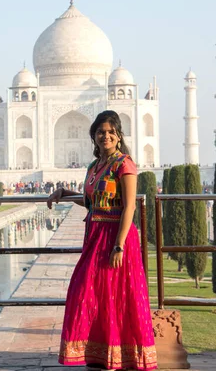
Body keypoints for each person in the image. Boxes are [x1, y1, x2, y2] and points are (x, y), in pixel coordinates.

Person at [47, 110, 157, 370]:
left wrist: (119, 245)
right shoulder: (94, 167)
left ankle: (122, 357)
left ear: (118, 136)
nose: (105, 136)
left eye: (110, 132)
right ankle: (101, 354)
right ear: (93, 136)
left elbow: (129, 206)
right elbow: (90, 202)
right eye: (100, 132)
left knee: (117, 296)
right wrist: (65, 193)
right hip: (95, 236)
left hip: (117, 238)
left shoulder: (124, 164)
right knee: (90, 293)